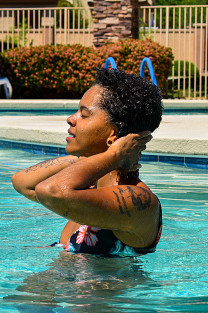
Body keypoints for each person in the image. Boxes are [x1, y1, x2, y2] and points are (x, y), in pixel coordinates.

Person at [11, 67, 164, 256]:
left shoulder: (139, 201)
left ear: (113, 134)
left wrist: (113, 156)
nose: (71, 119)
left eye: (84, 115)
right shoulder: (87, 191)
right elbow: (22, 182)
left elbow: (50, 191)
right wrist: (92, 156)